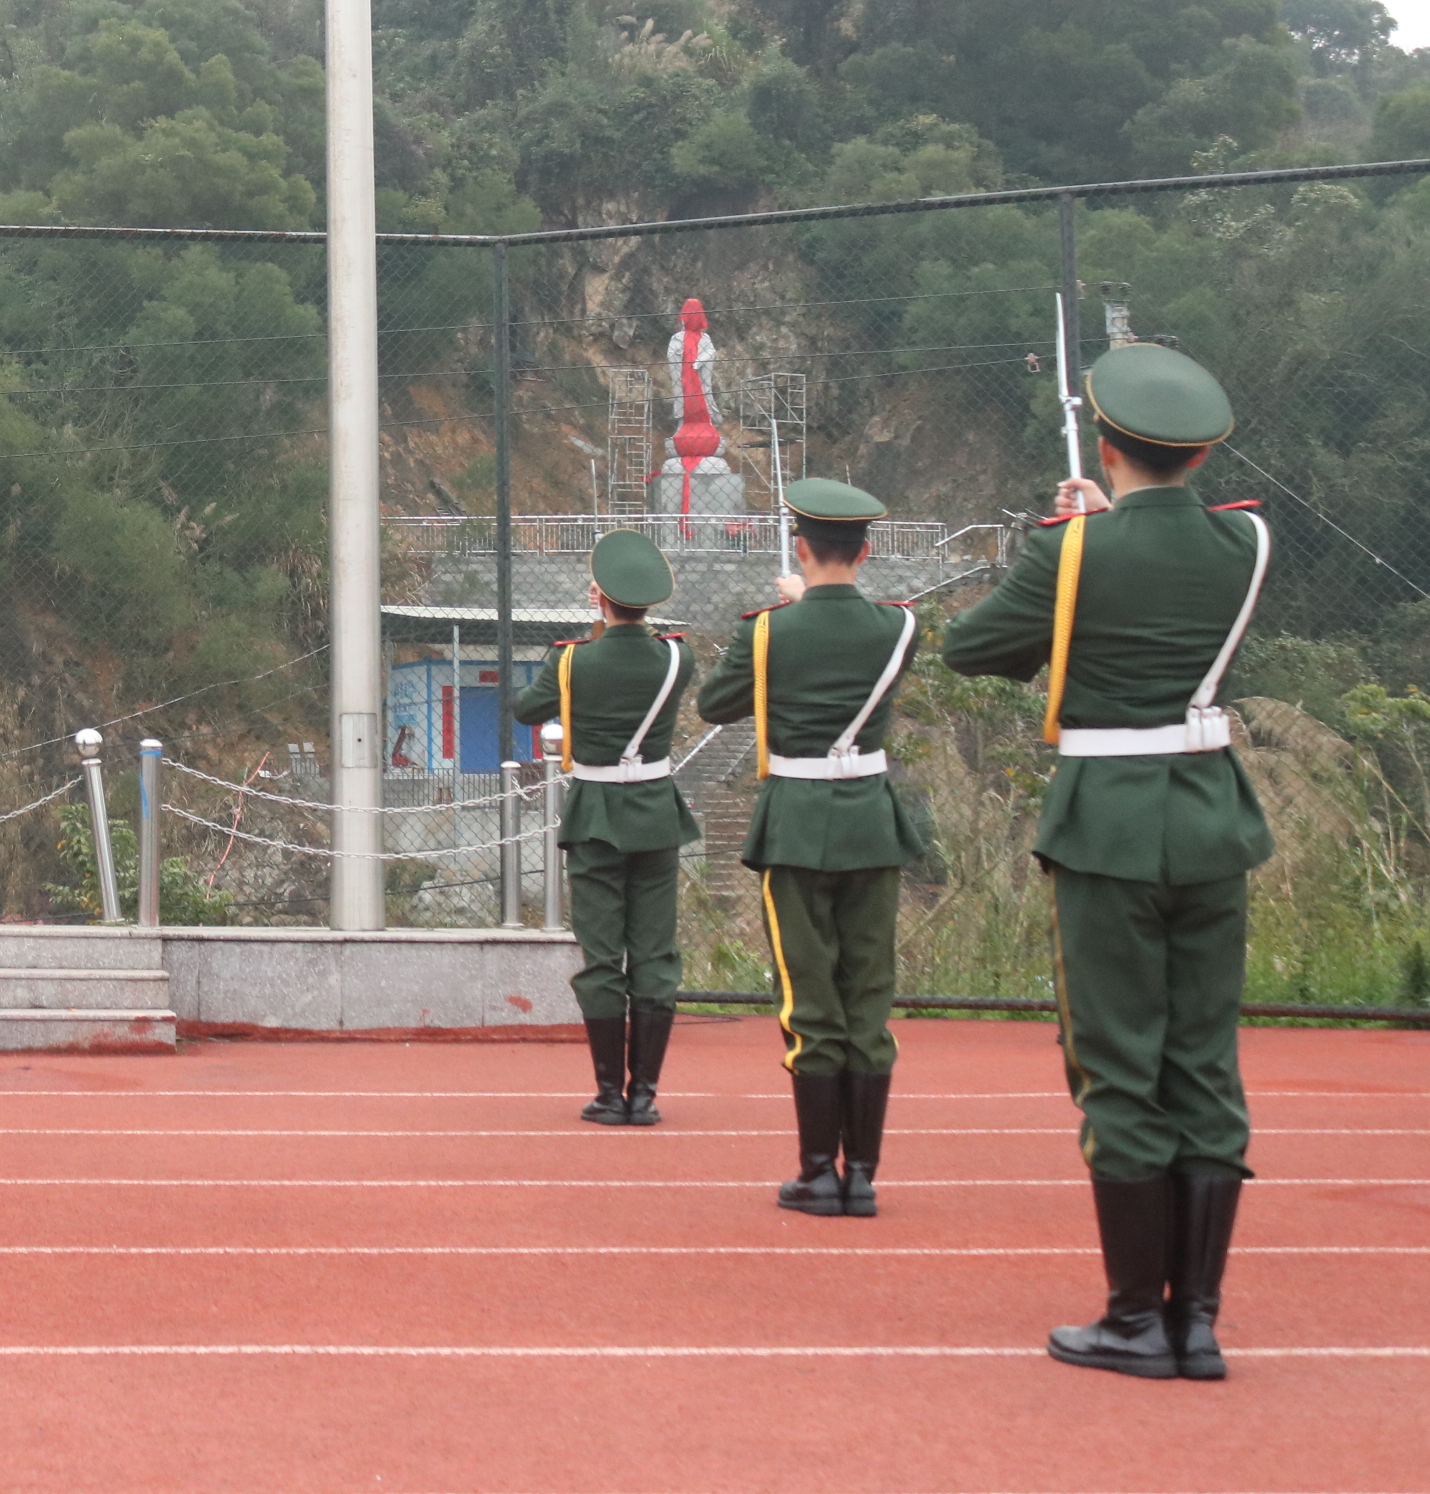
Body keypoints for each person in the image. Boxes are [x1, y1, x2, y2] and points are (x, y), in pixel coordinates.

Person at [943, 344, 1269, 1382]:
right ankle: (1199, 1320)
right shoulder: (1246, 543)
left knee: (1119, 1063)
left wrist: (1070, 545)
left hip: (1109, 825)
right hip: (1212, 818)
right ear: (1205, 449)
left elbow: (972, 648)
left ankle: (1136, 1317)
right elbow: (1167, 574)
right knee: (1204, 1058)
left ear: (1109, 443)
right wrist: (1100, 529)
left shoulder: (1071, 551)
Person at [695, 478, 928, 1219]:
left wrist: (791, 615)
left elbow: (715, 705)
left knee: (808, 994)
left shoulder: (767, 632)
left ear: (800, 547)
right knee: (868, 991)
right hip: (869, 820)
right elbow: (856, 641)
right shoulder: (900, 628)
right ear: (865, 550)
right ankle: (861, 1174)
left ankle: (815, 1173)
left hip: (796, 819)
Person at [509, 528, 698, 1127]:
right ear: (652, 600)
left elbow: (526, 709)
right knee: (655, 953)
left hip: (595, 815)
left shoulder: (570, 662)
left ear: (599, 595)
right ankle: (645, 1093)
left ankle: (608, 1094)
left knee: (600, 956)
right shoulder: (677, 657)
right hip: (656, 813)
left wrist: (589, 636)